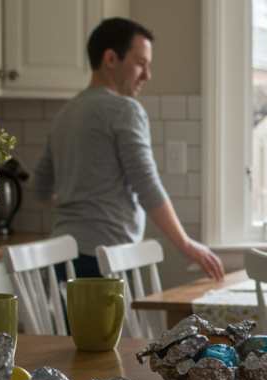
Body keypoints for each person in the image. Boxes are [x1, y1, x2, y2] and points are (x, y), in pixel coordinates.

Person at [36, 17, 224, 282]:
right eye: (141, 64)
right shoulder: (125, 110)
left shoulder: (66, 113)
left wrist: (77, 205)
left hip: (61, 258)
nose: (147, 75)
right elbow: (145, 183)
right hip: (105, 257)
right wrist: (186, 244)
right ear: (111, 59)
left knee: (69, 326)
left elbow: (41, 186)